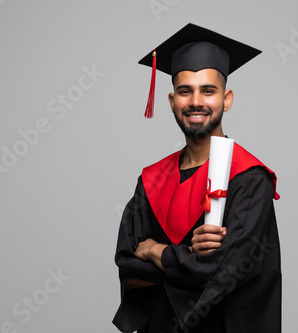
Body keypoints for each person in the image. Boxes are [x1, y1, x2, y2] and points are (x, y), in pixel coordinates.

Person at [113, 23, 281, 333]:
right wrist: (191, 261)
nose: (195, 102)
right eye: (185, 91)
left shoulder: (249, 180)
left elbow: (223, 272)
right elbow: (126, 266)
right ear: (171, 101)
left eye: (208, 90)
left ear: (226, 99)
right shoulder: (152, 180)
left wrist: (155, 251)